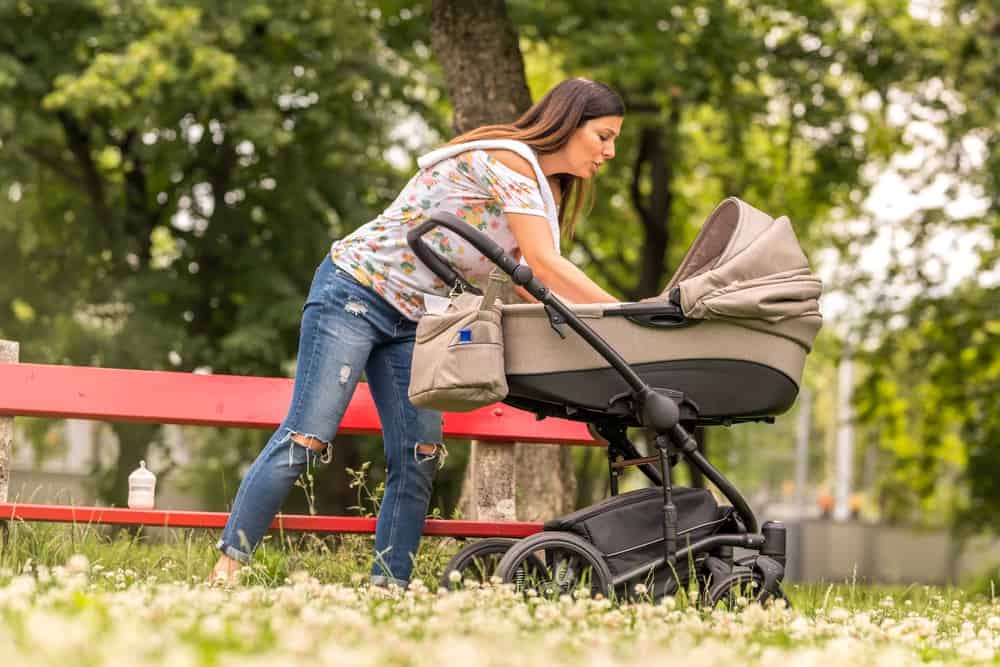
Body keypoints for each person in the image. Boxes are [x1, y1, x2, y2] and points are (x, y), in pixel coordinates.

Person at [210, 77, 624, 587]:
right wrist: (625, 315)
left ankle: (390, 586)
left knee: (419, 454)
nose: (609, 152)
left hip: (417, 319)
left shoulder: (549, 191)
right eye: (602, 136)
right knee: (307, 436)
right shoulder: (513, 163)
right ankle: (227, 569)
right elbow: (545, 265)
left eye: (614, 141)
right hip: (355, 291)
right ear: (568, 122)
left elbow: (527, 283)